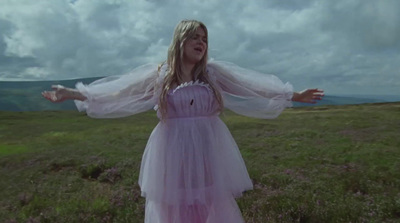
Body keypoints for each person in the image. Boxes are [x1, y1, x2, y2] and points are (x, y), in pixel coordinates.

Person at [42, 20, 324, 223]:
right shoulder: (160, 75)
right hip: (171, 150)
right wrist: (75, 93)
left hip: (207, 147)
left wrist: (293, 94)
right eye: (194, 37)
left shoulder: (212, 74)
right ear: (180, 42)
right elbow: (120, 93)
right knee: (172, 207)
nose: (201, 42)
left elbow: (250, 87)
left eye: (204, 38)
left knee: (207, 202)